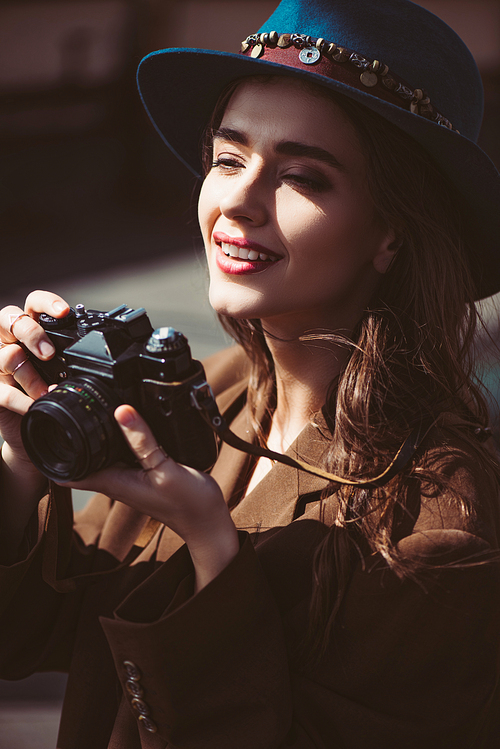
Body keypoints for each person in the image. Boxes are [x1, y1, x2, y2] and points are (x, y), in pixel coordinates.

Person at [1, 0, 500, 746]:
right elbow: (30, 636)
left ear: (392, 234)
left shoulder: (437, 522)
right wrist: (16, 459)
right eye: (229, 158)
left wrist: (210, 542)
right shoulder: (216, 390)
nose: (237, 199)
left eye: (302, 176)